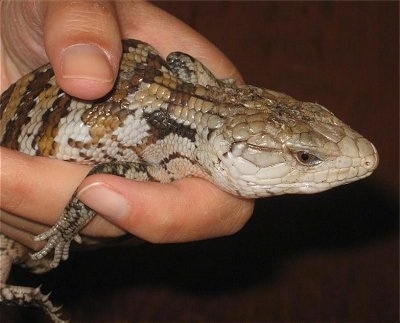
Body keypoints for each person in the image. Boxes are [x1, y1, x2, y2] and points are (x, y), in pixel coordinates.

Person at [0, 1, 254, 252]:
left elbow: (179, 60)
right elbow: (104, 174)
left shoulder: (169, 152)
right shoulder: (164, 159)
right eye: (297, 157)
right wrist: (65, 230)